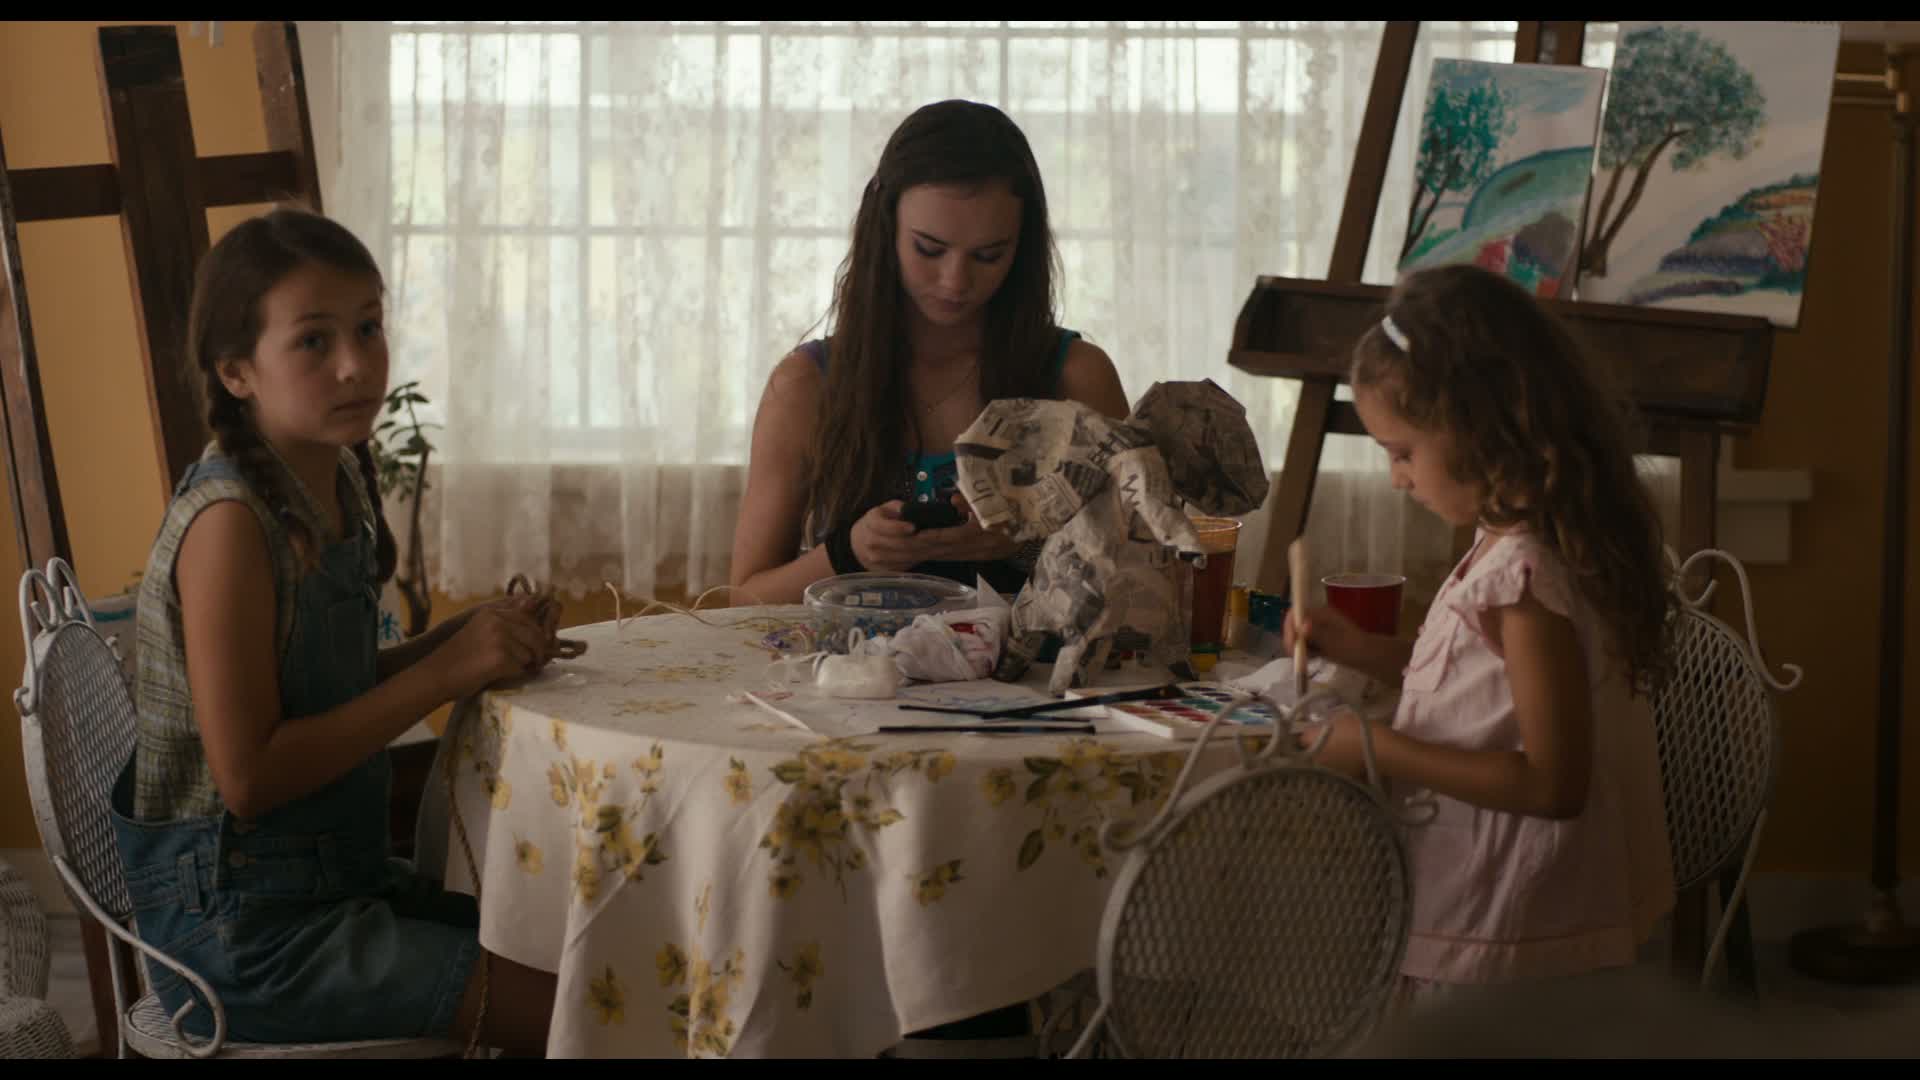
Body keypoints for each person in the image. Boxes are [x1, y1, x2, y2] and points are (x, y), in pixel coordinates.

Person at [109, 207, 559, 1054]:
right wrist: (443, 675)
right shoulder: (229, 523)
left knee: (582, 941)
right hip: (240, 940)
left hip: (335, 883)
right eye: (314, 341)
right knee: (582, 1005)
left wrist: (465, 640)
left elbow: (324, 687)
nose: (356, 364)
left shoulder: (336, 474)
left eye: (368, 328)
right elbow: (249, 777)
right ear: (237, 371)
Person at [1284, 263, 1677, 1008]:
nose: (1397, 478)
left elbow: (1554, 783)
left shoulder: (1525, 576)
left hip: (1506, 925)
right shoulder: (1509, 543)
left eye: (1403, 452)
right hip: (1481, 899)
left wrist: (1375, 746)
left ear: (1482, 430)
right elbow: (1486, 691)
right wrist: (1360, 649)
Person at [730, 99, 1132, 604]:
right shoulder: (807, 385)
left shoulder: (1075, 376)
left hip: (1037, 659)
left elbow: (1143, 576)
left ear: (1023, 248)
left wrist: (1027, 541)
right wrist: (848, 554)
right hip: (850, 658)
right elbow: (744, 599)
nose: (955, 281)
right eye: (929, 249)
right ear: (884, 228)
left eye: (989, 255)